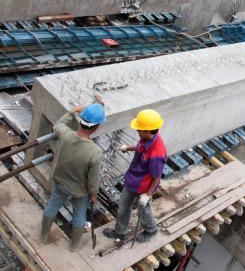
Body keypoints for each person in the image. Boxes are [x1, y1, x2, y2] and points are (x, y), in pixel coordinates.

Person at [40, 103, 106, 251]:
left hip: (60, 182)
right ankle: (74, 246)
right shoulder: (95, 152)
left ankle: (43, 236)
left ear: (81, 121)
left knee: (52, 206)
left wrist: (73, 111)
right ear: (96, 127)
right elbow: (93, 179)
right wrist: (94, 194)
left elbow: (58, 124)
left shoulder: (65, 135)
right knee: (79, 215)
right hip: (79, 190)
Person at [103, 109, 167, 243]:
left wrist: (148, 194)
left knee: (143, 210)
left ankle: (150, 230)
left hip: (144, 186)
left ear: (148, 130)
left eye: (139, 129)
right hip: (133, 179)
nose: (137, 131)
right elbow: (140, 148)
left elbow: (156, 176)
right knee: (123, 206)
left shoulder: (157, 152)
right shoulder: (145, 138)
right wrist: (128, 148)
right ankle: (120, 232)